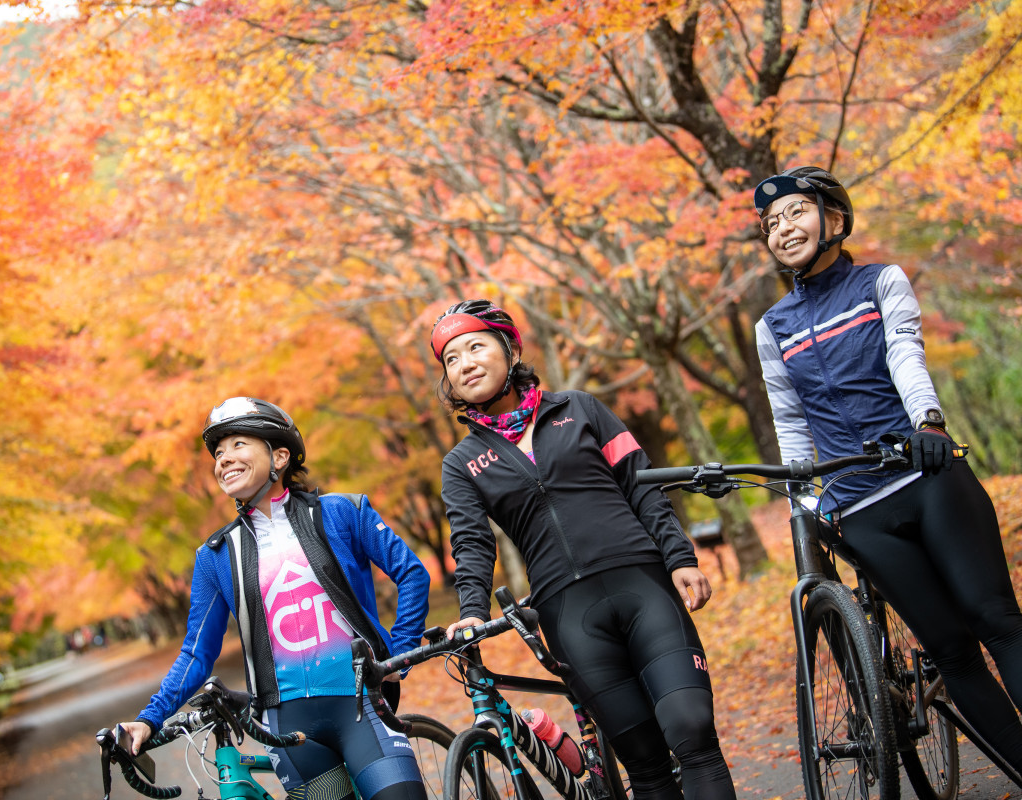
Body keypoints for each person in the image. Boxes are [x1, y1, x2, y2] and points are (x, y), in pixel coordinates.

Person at [753, 166, 1022, 769]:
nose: (782, 228)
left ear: (836, 221)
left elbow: (904, 350)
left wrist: (928, 422)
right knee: (952, 651)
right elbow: (790, 421)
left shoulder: (881, 282)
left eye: (796, 212)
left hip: (925, 474)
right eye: (771, 224)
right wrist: (803, 509)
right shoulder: (772, 328)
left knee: (995, 620)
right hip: (857, 507)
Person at [431, 300, 737, 800]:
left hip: (642, 583)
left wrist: (679, 557)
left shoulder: (581, 409)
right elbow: (471, 541)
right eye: (451, 359)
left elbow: (641, 485)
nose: (464, 363)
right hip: (569, 612)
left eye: (475, 346)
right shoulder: (462, 463)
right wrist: (469, 612)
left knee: (692, 727)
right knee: (645, 763)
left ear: (509, 350)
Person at [113, 397, 432, 800]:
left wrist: (398, 658)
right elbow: (196, 652)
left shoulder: (341, 512)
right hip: (289, 732)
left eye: (238, 445)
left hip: (363, 704)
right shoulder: (215, 556)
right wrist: (149, 718)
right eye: (218, 452)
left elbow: (412, 573)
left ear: (279, 456)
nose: (223, 459)